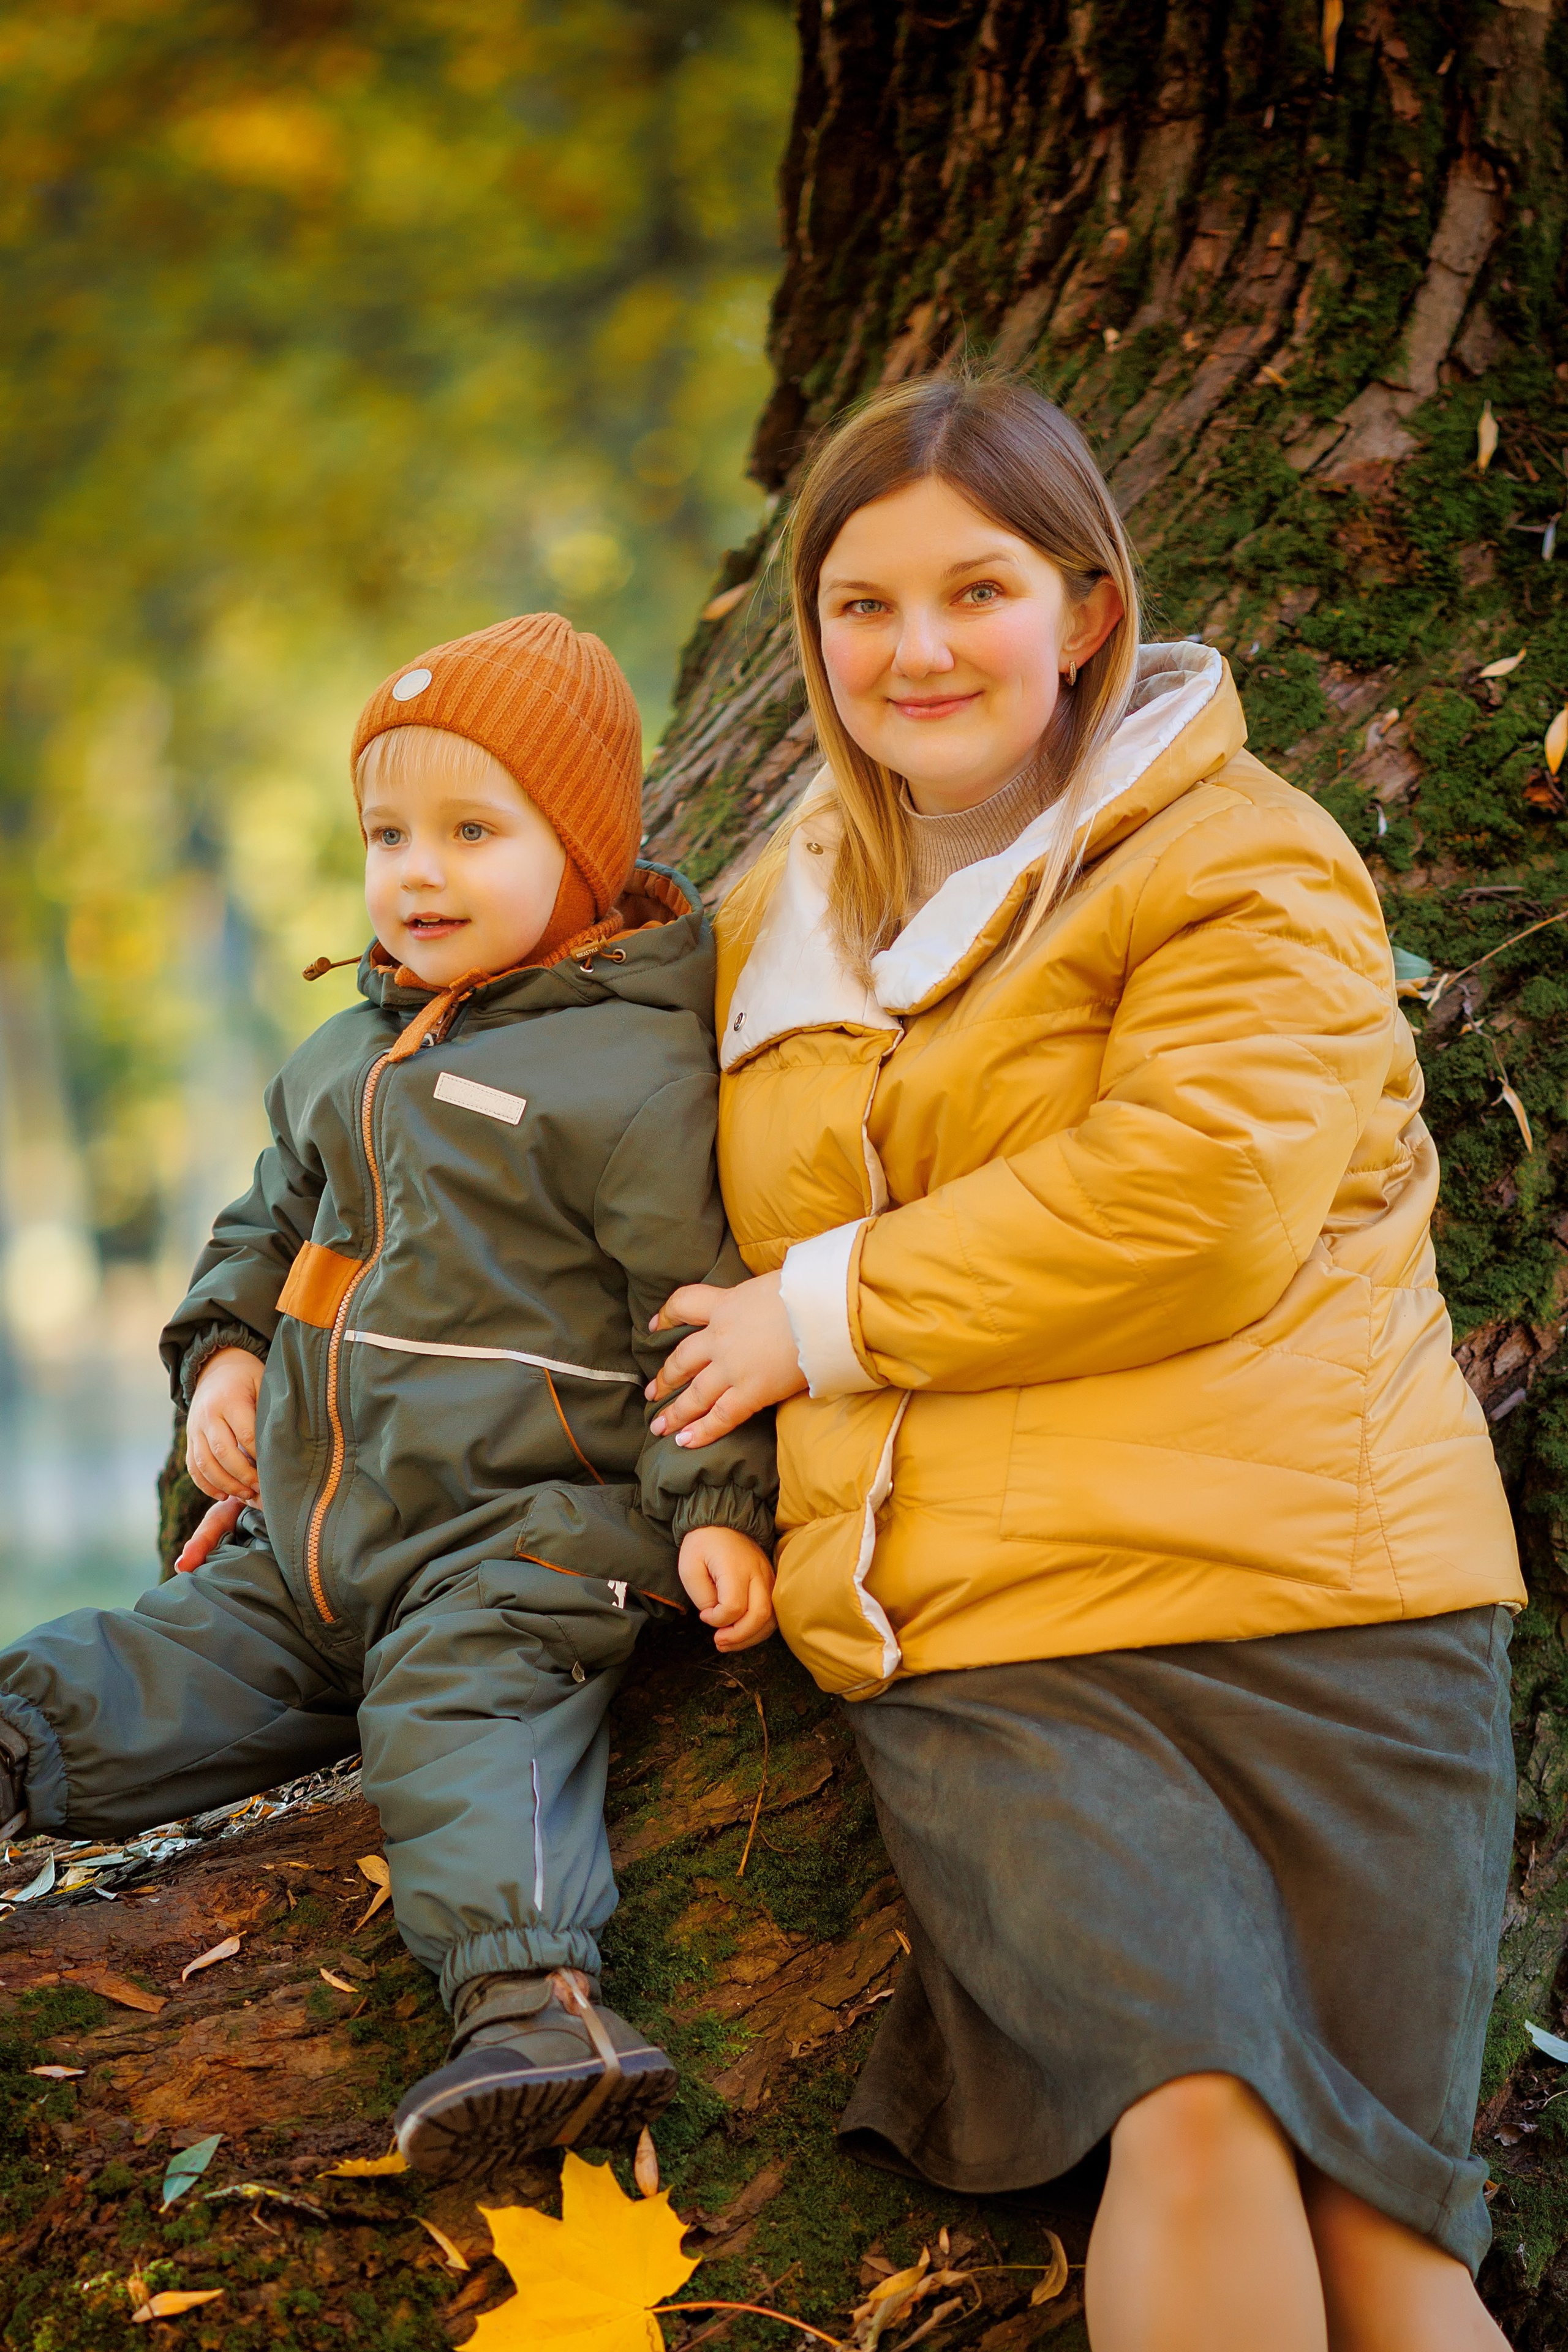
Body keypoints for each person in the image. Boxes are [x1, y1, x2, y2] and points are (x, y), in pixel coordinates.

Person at [642, 378, 1525, 2352]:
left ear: (1090, 607)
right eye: (862, 606)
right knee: (1192, 2123)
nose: (919, 649)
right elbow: (544, 1133)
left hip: (1332, 1626)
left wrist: (824, 1315)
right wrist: (261, 1329)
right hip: (1001, 1651)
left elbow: (1193, 1206)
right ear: (810, 637)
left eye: (978, 589)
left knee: (1386, 2232)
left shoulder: (1243, 861)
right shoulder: (768, 919)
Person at [0, 612, 777, 2180]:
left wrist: (716, 1514)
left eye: (472, 833)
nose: (417, 873)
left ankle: (536, 2010)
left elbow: (698, 1319)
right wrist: (221, 1354)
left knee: (454, 1711)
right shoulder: (342, 1051)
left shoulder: (627, 1080)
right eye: (387, 835)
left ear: (580, 846)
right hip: (325, 1538)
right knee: (163, 1653)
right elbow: (257, 1233)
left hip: (525, 1536)